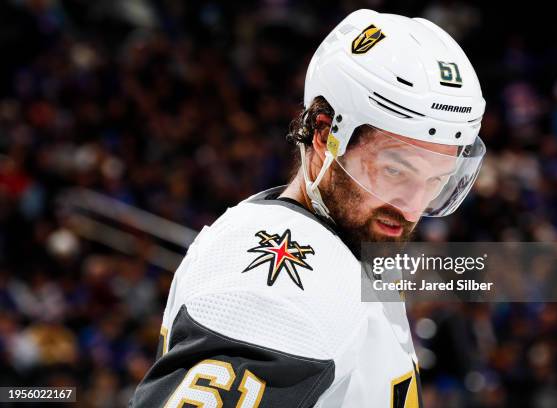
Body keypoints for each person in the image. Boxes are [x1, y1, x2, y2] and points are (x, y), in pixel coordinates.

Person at [130, 8, 486, 408]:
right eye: (394, 171)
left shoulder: (335, 250)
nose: (411, 207)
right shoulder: (283, 281)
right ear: (323, 133)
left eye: (435, 181)